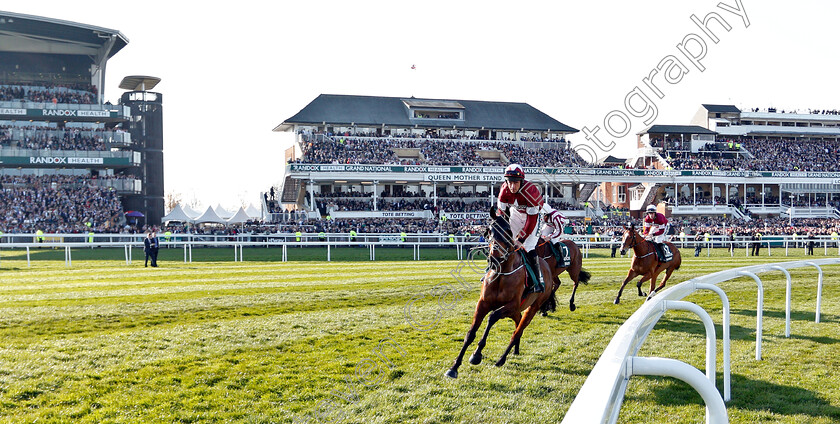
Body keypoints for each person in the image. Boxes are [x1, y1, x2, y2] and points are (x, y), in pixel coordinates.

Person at [497, 164, 544, 293]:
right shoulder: (504, 189)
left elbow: (531, 220)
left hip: (533, 217)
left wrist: (521, 239)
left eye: (516, 183)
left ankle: (537, 281)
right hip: (516, 213)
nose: (512, 187)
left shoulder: (531, 191)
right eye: (509, 182)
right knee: (504, 242)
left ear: (521, 181)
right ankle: (495, 270)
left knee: (528, 247)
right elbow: (502, 213)